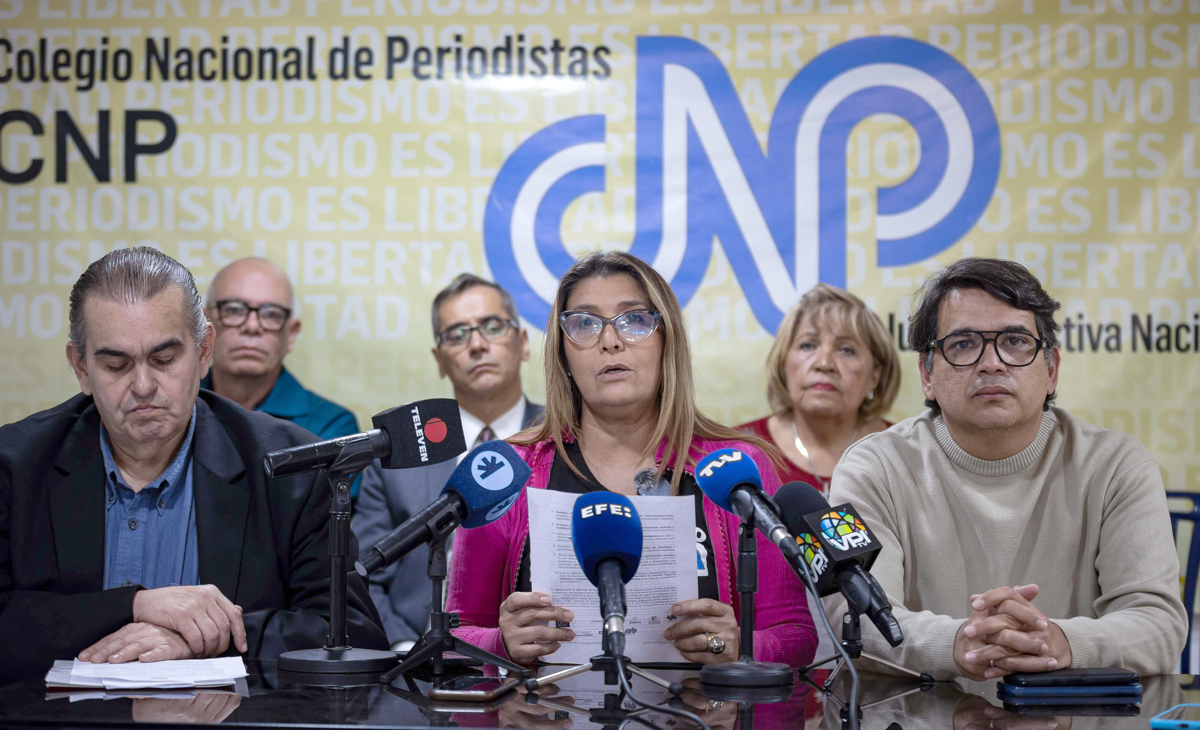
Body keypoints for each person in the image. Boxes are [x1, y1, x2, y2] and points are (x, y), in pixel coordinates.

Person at [0, 247, 387, 679]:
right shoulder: (15, 465)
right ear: (81, 367)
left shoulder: (289, 468)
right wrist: (136, 605)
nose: (143, 385)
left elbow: (353, 635)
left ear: (204, 353)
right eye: (116, 364)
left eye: (165, 360)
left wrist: (203, 640)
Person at [445, 251, 816, 668]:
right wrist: (501, 643)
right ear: (563, 354)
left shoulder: (736, 468)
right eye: (584, 323)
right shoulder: (507, 471)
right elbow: (454, 633)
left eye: (634, 320)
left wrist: (740, 647)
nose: (610, 341)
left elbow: (796, 635)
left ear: (666, 340)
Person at [828, 257, 1186, 680]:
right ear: (927, 373)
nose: (992, 363)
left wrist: (1059, 643)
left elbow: (1158, 624)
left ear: (1051, 369)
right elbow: (853, 618)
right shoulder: (869, 468)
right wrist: (958, 643)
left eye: (1015, 342)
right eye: (963, 345)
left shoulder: (1117, 466)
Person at [354, 274, 544, 648]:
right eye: (456, 334)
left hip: (536, 659)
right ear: (439, 360)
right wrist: (403, 649)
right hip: (415, 664)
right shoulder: (399, 453)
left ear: (522, 343)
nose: (476, 344)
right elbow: (362, 577)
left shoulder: (563, 439)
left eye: (492, 326)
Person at [738, 284, 900, 496]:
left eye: (846, 350)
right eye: (808, 345)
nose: (824, 363)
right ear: (783, 364)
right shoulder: (738, 452)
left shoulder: (903, 455)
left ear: (874, 376)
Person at [201, 257, 358, 441]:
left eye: (271, 314)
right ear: (204, 328)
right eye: (234, 310)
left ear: (291, 334)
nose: (252, 326)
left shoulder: (330, 425)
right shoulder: (176, 408)